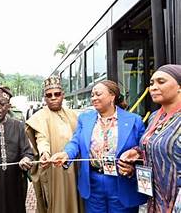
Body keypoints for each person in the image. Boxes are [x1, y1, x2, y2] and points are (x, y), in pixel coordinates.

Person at [51, 80, 147, 213]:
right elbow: (76, 142)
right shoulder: (85, 118)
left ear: (112, 96)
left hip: (122, 183)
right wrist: (66, 154)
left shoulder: (134, 120)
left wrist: (133, 167)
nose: (93, 98)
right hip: (93, 183)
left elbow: (144, 150)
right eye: (92, 95)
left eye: (98, 94)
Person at [119, 64, 181, 213]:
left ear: (179, 86)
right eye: (152, 83)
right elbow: (156, 147)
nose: (153, 87)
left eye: (161, 82)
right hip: (156, 201)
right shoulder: (155, 117)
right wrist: (138, 154)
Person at [25, 75, 82, 213]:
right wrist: (45, 153)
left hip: (74, 169)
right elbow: (41, 137)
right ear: (45, 98)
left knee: (76, 198)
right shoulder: (40, 117)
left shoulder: (74, 115)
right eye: (49, 95)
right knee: (55, 203)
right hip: (53, 171)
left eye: (57, 94)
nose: (53, 97)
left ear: (63, 95)